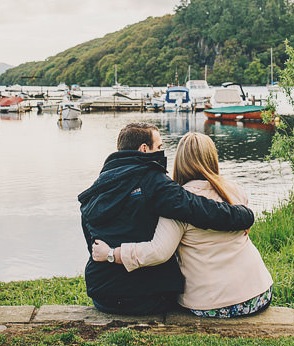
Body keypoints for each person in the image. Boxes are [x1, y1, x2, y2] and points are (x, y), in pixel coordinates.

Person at [78, 123, 255, 315]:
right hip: (146, 298)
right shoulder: (153, 180)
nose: (162, 153)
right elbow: (198, 208)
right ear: (144, 149)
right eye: (160, 147)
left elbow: (92, 241)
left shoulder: (99, 185)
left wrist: (109, 254)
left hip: (102, 296)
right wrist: (244, 216)